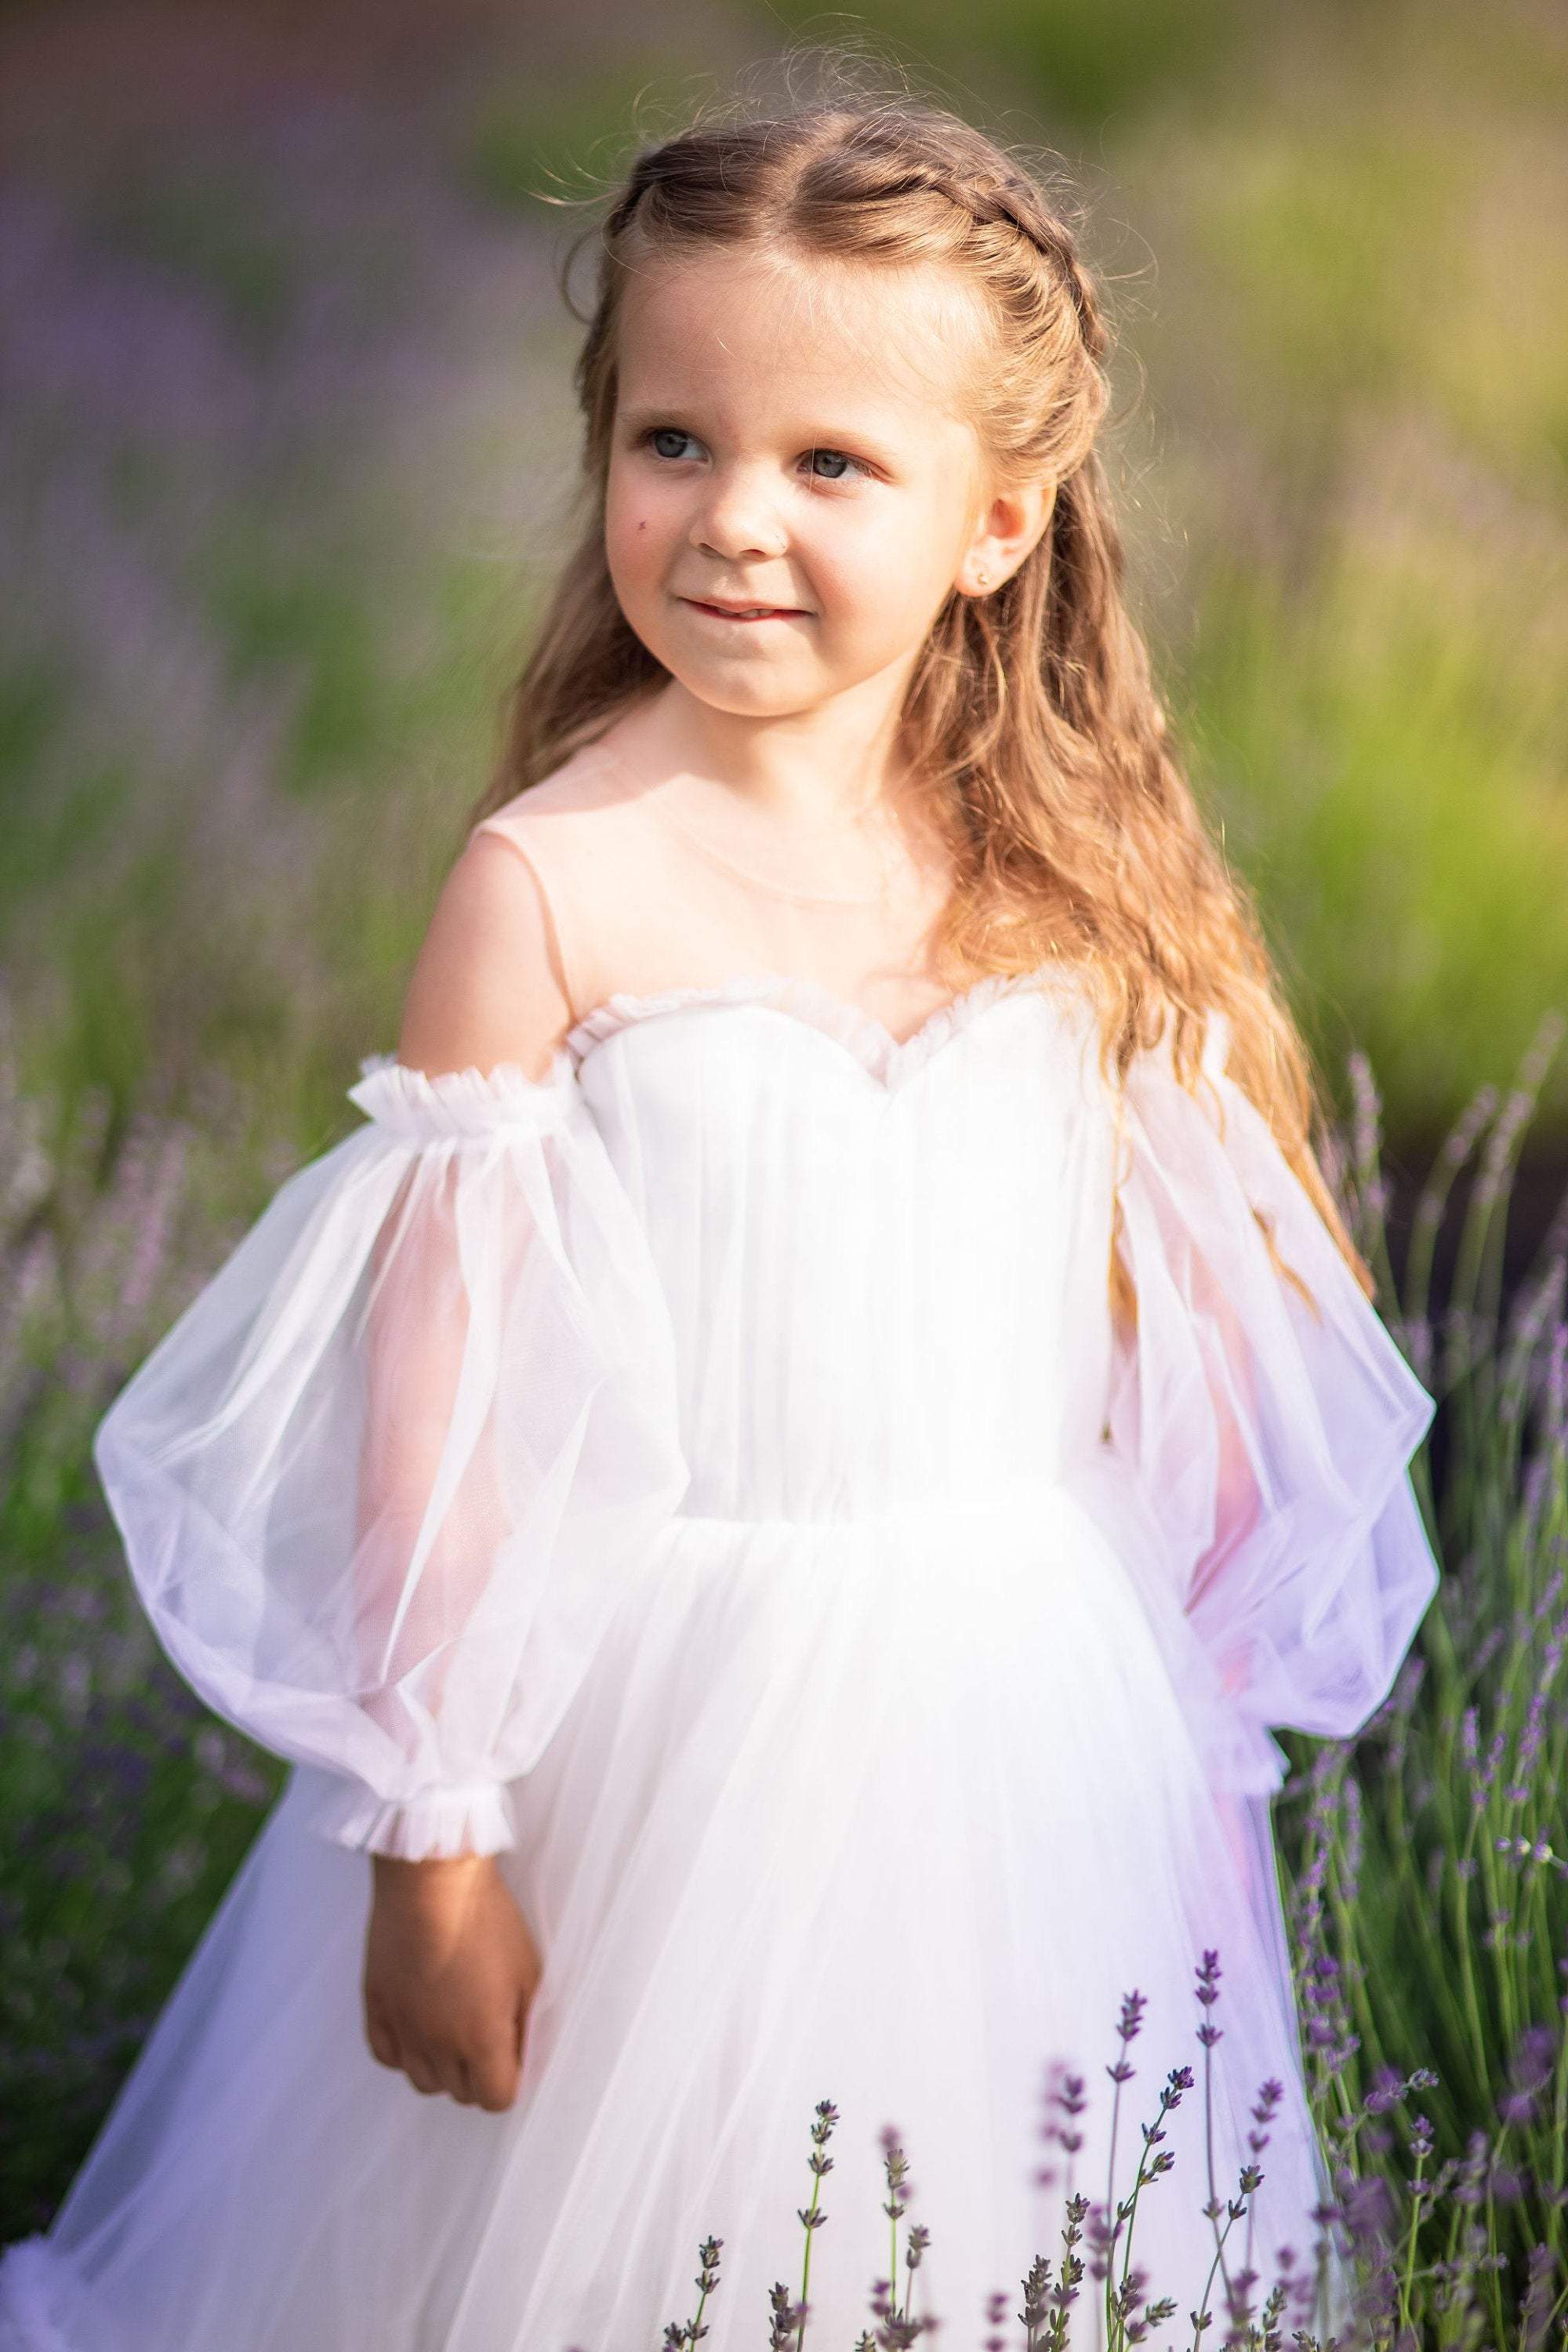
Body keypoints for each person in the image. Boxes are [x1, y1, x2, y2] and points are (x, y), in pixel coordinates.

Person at [0, 80, 1440, 2350]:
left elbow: (1210, 1325)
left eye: (828, 464)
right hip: (634, 1746)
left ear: (997, 519)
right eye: (674, 440)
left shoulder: (1072, 888)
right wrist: (436, 1835)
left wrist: (1192, 1722)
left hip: (1011, 1729)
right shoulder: (553, 889)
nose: (733, 520)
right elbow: (444, 1405)